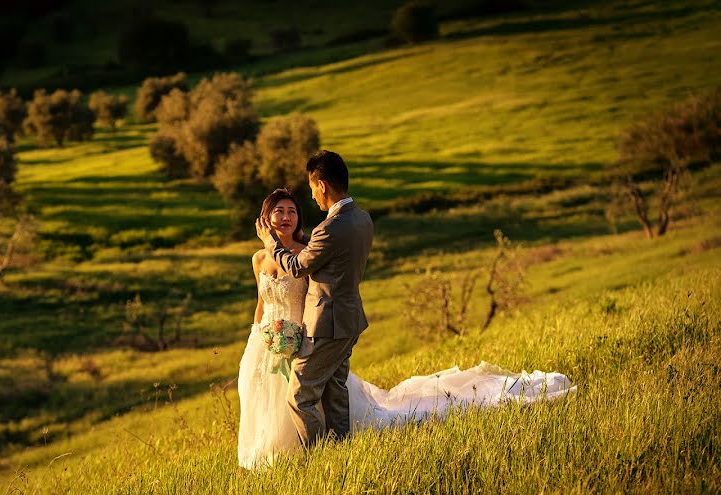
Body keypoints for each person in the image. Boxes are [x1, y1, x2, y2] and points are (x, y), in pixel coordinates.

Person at [239, 151, 575, 469]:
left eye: (312, 188)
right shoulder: (362, 219)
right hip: (349, 319)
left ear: (322, 185)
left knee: (301, 396)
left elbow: (299, 268)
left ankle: (316, 460)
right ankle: (341, 452)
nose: (311, 196)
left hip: (328, 323)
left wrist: (272, 244)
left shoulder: (330, 228)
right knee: (336, 394)